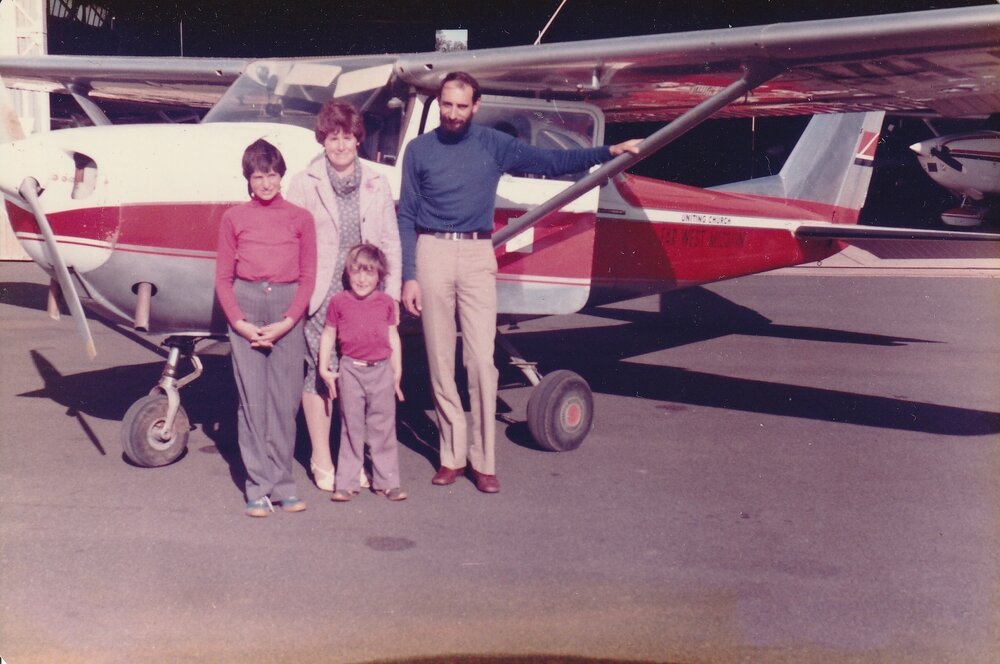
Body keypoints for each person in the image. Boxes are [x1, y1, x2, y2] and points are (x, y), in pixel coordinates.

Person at [397, 71, 641, 494]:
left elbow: (549, 162)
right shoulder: (419, 151)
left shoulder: (493, 145)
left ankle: (483, 461)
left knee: (481, 363)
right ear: (440, 104)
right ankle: (450, 457)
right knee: (439, 360)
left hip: (476, 254)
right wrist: (409, 276)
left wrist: (608, 151)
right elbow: (405, 216)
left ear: (476, 106)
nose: (453, 113)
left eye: (461, 105)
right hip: (431, 251)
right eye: (446, 104)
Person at [286, 101, 402, 493]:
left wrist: (391, 297)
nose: (340, 145)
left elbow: (390, 243)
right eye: (333, 137)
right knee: (321, 373)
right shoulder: (305, 182)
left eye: (348, 137)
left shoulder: (376, 182)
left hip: (365, 297)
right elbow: (294, 240)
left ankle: (352, 459)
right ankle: (322, 458)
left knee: (362, 379)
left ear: (358, 139)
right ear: (324, 138)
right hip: (322, 294)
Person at [215, 138, 316, 517]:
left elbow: (308, 277)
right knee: (252, 401)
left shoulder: (300, 218)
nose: (266, 184)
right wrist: (240, 323)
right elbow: (223, 278)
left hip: (287, 309)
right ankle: (257, 487)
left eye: (272, 175)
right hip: (247, 305)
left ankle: (283, 484)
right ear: (248, 179)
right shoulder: (233, 219)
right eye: (258, 176)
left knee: (284, 402)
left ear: (281, 176)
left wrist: (288, 320)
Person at [319, 244, 407, 502]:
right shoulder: (338, 302)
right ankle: (346, 482)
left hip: (381, 370)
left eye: (369, 273)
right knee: (351, 426)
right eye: (356, 272)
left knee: (383, 427)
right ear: (348, 273)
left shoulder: (387, 303)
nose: (362, 279)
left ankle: (387, 482)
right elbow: (329, 334)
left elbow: (393, 336)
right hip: (350, 369)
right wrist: (324, 367)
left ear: (380, 276)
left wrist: (397, 370)